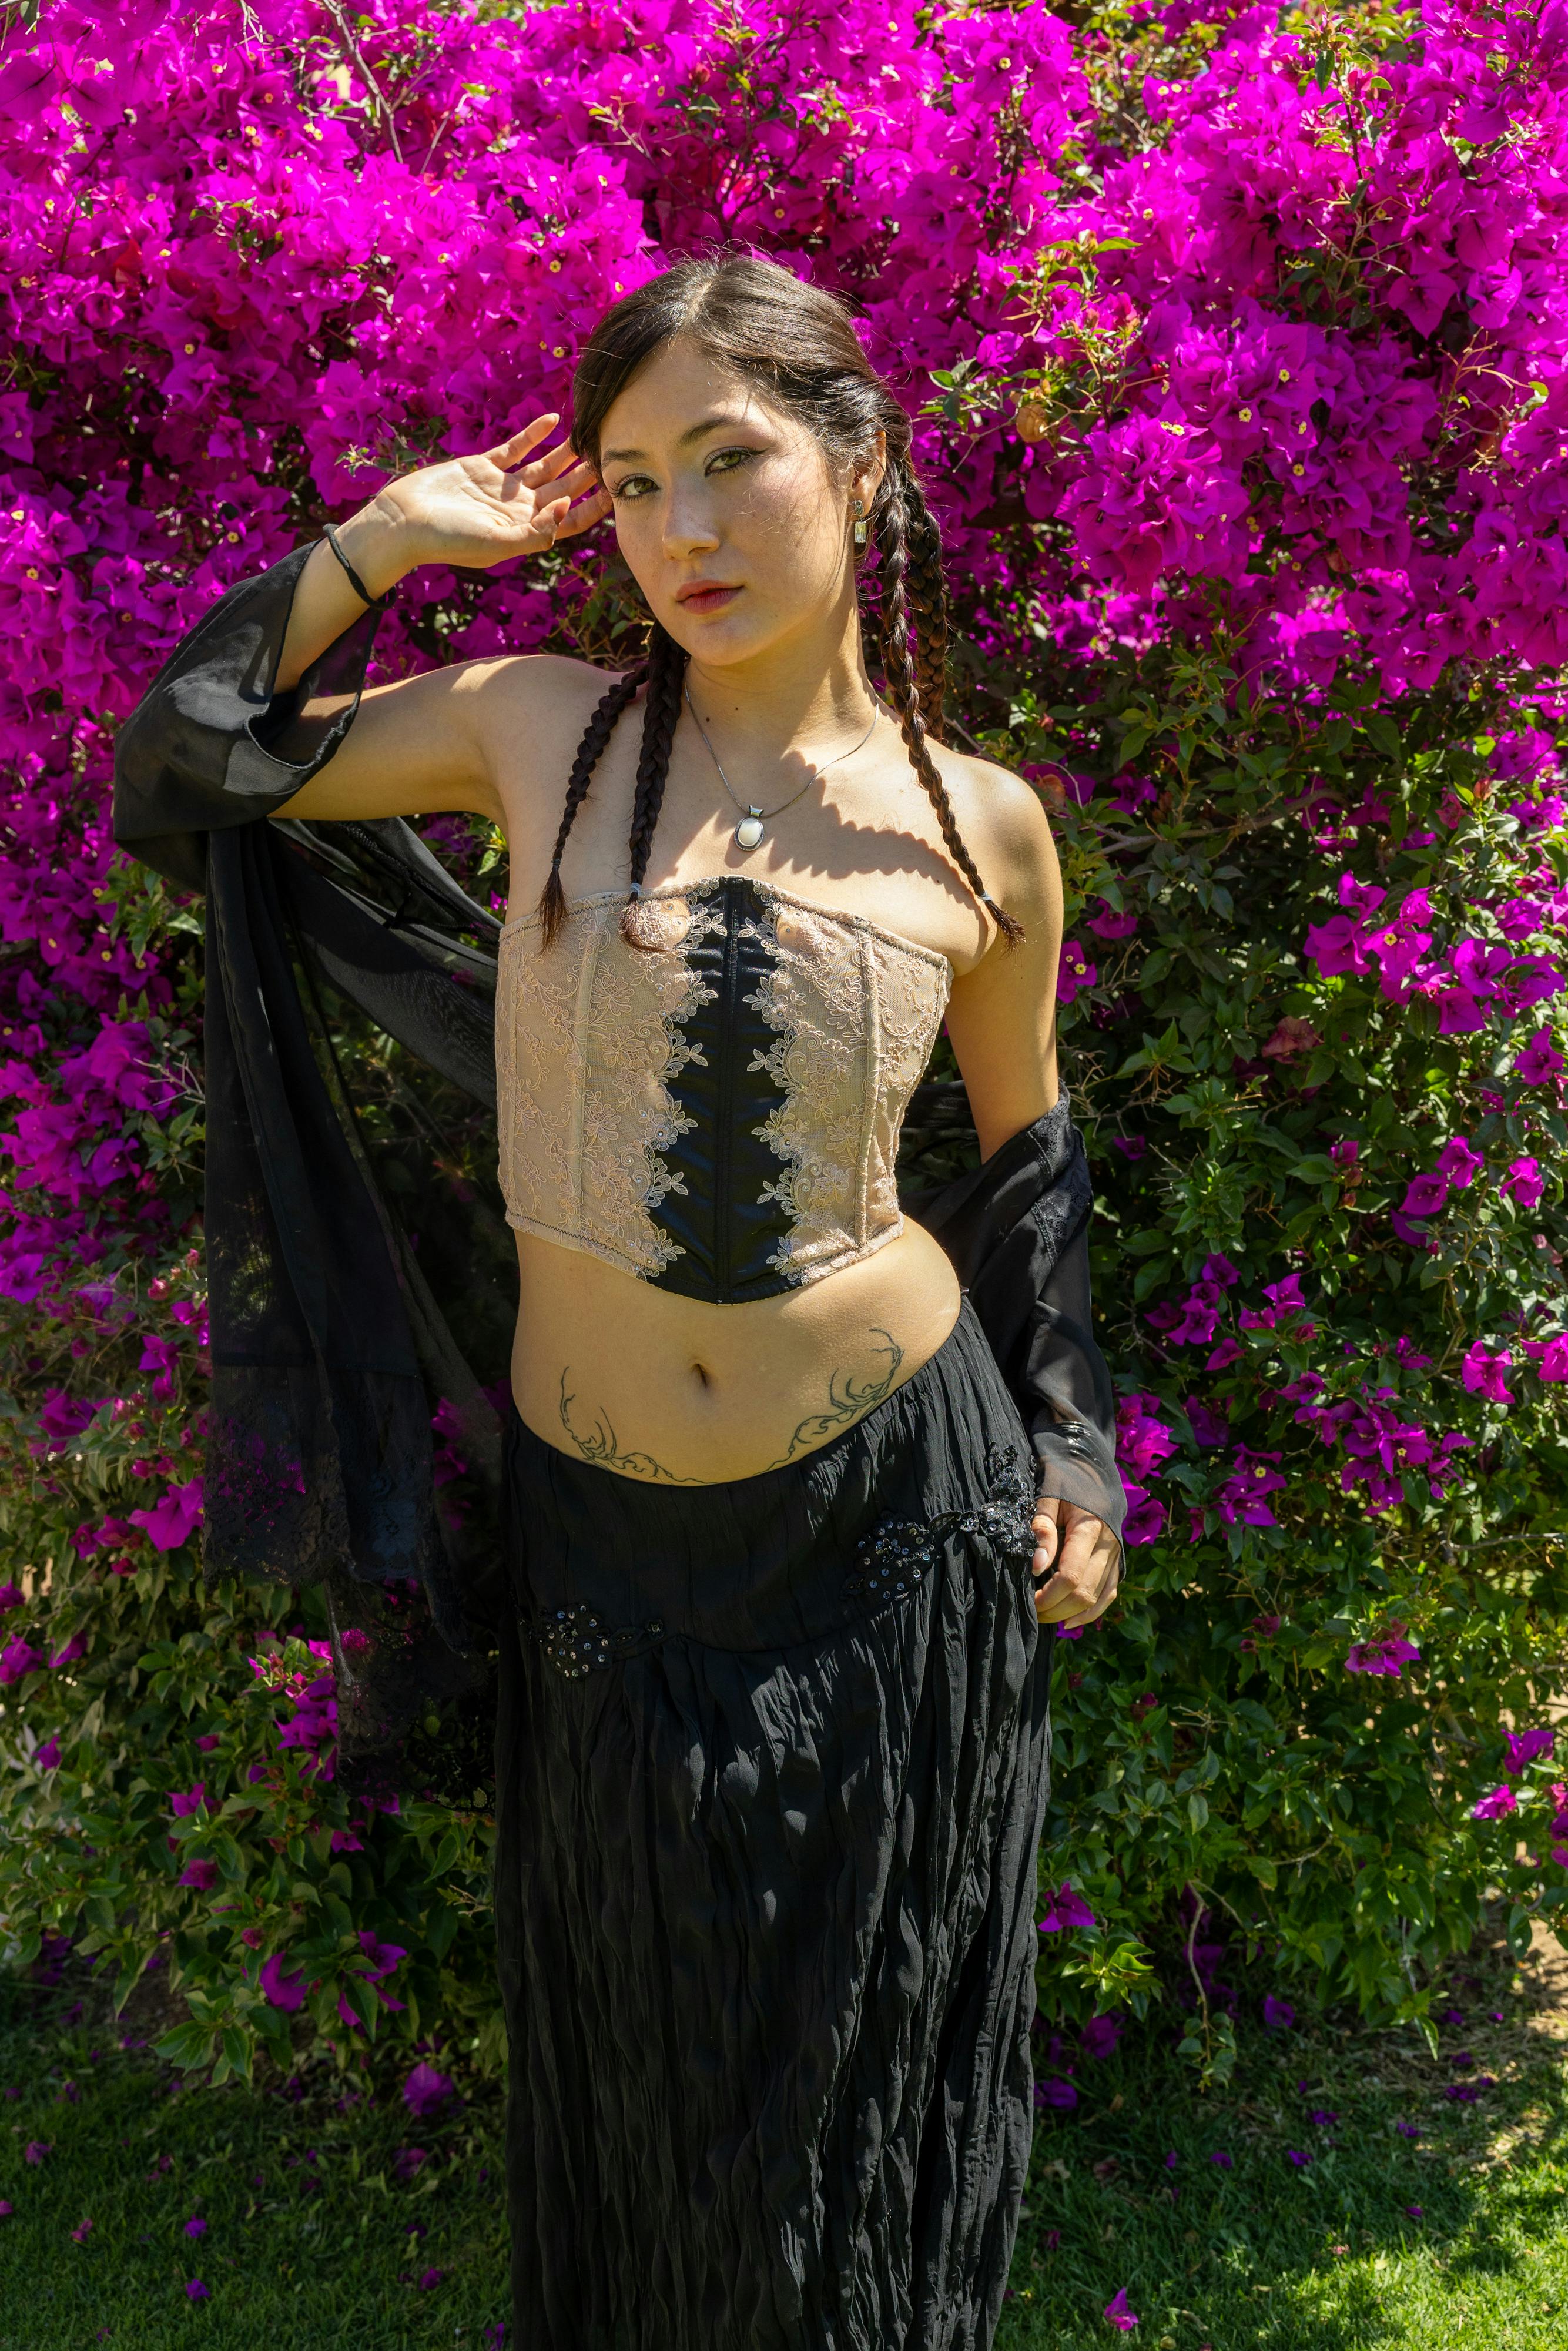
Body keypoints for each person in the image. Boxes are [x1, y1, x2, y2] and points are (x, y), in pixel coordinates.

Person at [114, 254, 1125, 2351]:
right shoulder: (535, 728)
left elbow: (1026, 1162)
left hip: (897, 1530)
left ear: (856, 463)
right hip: (608, 1543)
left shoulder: (987, 834)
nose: (676, 530)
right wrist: (389, 538)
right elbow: (186, 765)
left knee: (856, 2066)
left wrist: (1076, 1440)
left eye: (729, 462)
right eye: (637, 478)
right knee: (643, 2061)